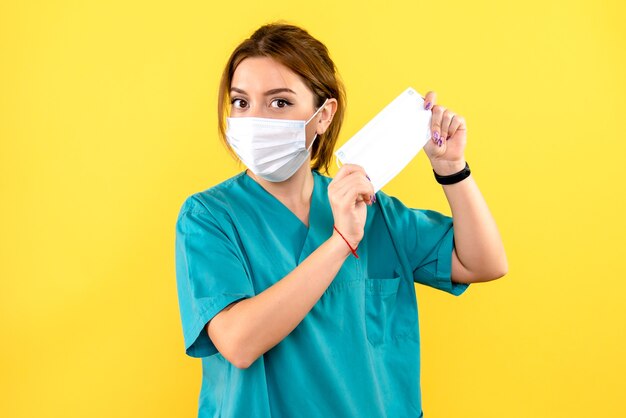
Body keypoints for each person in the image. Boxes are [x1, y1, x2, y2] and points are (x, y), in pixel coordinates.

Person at [174, 22, 507, 418]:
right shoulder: (209, 217)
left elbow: (484, 263)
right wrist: (339, 243)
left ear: (323, 115)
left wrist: (452, 169)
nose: (254, 119)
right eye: (241, 102)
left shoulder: (369, 206)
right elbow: (238, 343)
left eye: (278, 102)